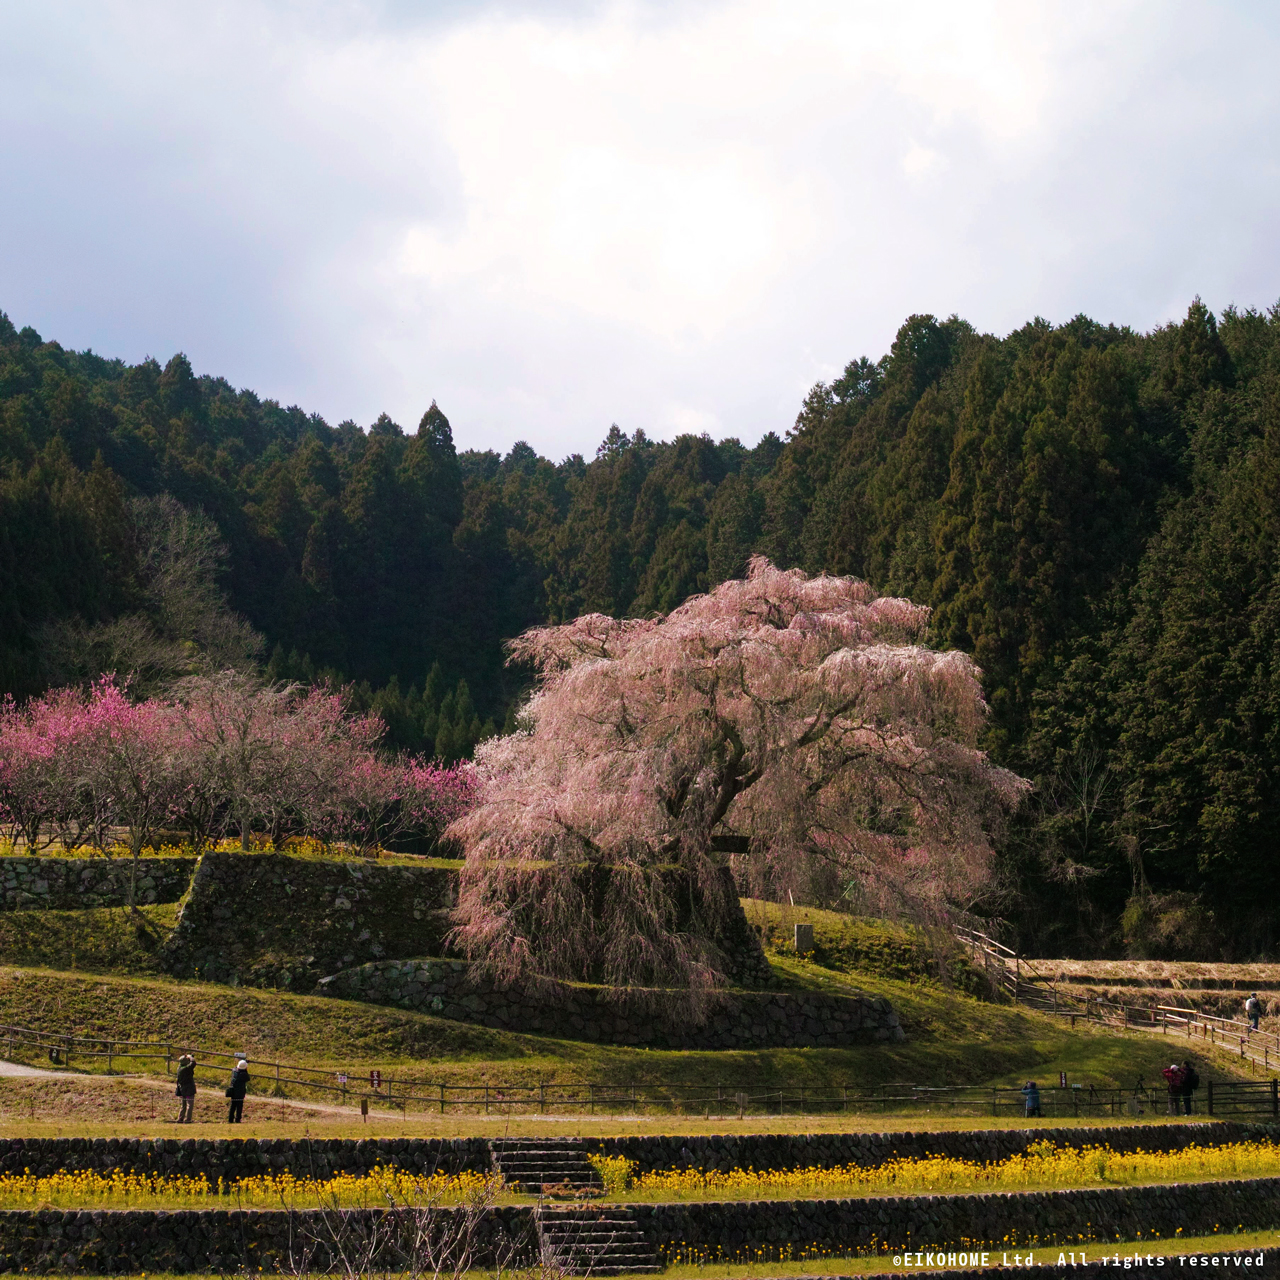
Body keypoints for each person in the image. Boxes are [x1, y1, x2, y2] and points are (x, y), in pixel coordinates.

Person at [175, 1054, 197, 1124]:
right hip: (189, 1090)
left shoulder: (179, 1068)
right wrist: (190, 1057)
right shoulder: (186, 1069)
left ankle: (180, 1118)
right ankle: (188, 1120)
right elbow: (193, 1063)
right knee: (189, 1105)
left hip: (182, 1090)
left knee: (183, 1105)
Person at [226, 1058, 250, 1124]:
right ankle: (237, 1119)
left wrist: (244, 1062)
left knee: (233, 1106)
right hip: (240, 1092)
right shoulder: (243, 1075)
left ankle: (230, 1119)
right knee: (239, 1107)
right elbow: (248, 1078)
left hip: (233, 1091)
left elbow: (236, 1067)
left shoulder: (234, 1071)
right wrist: (245, 1067)